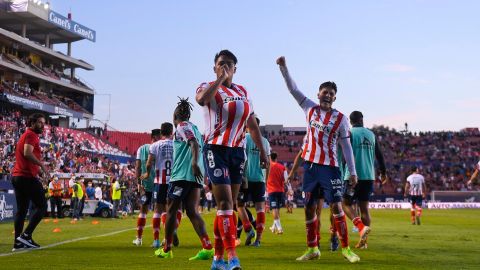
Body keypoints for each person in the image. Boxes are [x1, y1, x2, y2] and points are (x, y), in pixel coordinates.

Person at [277, 56, 360, 263]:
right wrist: (284, 67)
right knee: (308, 207)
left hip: (330, 168)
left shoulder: (341, 119)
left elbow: (346, 147)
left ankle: (347, 249)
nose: (328, 95)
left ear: (334, 98)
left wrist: (353, 172)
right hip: (311, 167)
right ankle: (312, 248)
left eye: (332, 93)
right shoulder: (309, 108)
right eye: (325, 92)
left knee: (336, 207)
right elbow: (293, 89)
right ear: (318, 94)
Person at [196, 49, 269, 270]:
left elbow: (252, 124)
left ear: (236, 68)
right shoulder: (206, 87)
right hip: (215, 149)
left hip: (237, 151)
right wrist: (220, 79)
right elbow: (201, 100)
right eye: (221, 63)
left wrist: (263, 153)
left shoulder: (243, 91)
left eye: (229, 64)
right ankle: (232, 256)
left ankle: (217, 259)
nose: (225, 66)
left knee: (227, 207)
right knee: (226, 203)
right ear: (214, 67)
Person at [155, 97, 214, 260]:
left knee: (171, 210)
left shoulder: (182, 126)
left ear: (176, 117)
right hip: (196, 177)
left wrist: (194, 163)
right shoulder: (195, 127)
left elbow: (193, 144)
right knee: (192, 211)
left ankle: (166, 249)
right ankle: (207, 247)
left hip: (182, 174)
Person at [341, 111, 387, 249]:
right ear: (361, 119)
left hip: (352, 176)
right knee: (364, 209)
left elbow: (345, 154)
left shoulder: (349, 133)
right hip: (368, 176)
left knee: (345, 204)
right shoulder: (371, 134)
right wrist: (383, 172)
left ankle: (361, 227)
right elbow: (379, 155)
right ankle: (364, 243)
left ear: (350, 121)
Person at [289, 148, 339, 251]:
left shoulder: (315, 136)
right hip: (323, 173)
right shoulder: (312, 135)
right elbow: (301, 153)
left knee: (329, 209)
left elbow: (300, 154)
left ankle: (329, 237)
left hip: (326, 172)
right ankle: (324, 239)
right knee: (323, 210)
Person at [11, 113, 48, 251]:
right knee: (42, 206)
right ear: (32, 123)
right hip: (25, 177)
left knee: (21, 211)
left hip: (18, 177)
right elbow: (27, 153)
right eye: (39, 122)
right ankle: (26, 235)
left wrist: (37, 171)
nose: (42, 125)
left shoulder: (26, 134)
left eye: (44, 123)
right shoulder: (31, 135)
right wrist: (42, 166)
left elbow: (25, 158)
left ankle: (18, 243)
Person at [142, 123, 181, 248]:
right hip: (175, 180)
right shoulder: (177, 145)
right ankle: (173, 229)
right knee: (177, 208)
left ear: (161, 133)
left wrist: (148, 173)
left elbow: (149, 163)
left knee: (159, 211)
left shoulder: (154, 145)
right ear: (172, 132)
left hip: (160, 181)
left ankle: (156, 241)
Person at [237, 116, 271, 247]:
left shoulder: (244, 138)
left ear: (247, 126)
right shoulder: (265, 142)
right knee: (260, 209)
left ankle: (248, 229)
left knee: (239, 205)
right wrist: (266, 180)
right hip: (259, 180)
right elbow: (268, 163)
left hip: (245, 178)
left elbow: (241, 159)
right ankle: (258, 240)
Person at [133, 129, 161, 247]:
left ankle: (139, 239)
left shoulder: (141, 149)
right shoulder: (159, 148)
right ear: (154, 137)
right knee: (158, 211)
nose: (161, 139)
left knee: (143, 211)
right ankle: (156, 240)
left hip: (145, 185)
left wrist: (139, 183)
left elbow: (138, 167)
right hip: (158, 183)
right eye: (159, 136)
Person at [266, 152, 287, 235]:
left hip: (272, 191)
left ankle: (279, 228)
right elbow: (286, 179)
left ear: (270, 158)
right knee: (277, 209)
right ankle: (273, 227)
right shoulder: (282, 167)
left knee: (274, 209)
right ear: (276, 158)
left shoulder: (268, 166)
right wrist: (289, 189)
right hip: (280, 191)